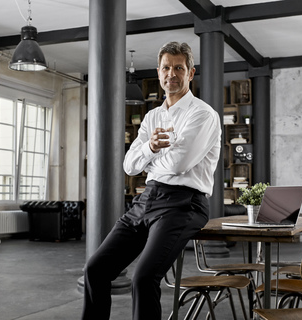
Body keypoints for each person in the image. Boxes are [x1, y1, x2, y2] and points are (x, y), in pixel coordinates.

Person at [81, 41, 222, 320]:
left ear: (190, 73)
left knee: (143, 278)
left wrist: (150, 158)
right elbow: (130, 166)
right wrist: (152, 148)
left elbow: (180, 164)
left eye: (179, 68)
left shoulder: (203, 114)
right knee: (95, 270)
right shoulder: (152, 116)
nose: (172, 73)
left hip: (184, 203)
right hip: (146, 199)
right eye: (166, 68)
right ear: (158, 73)